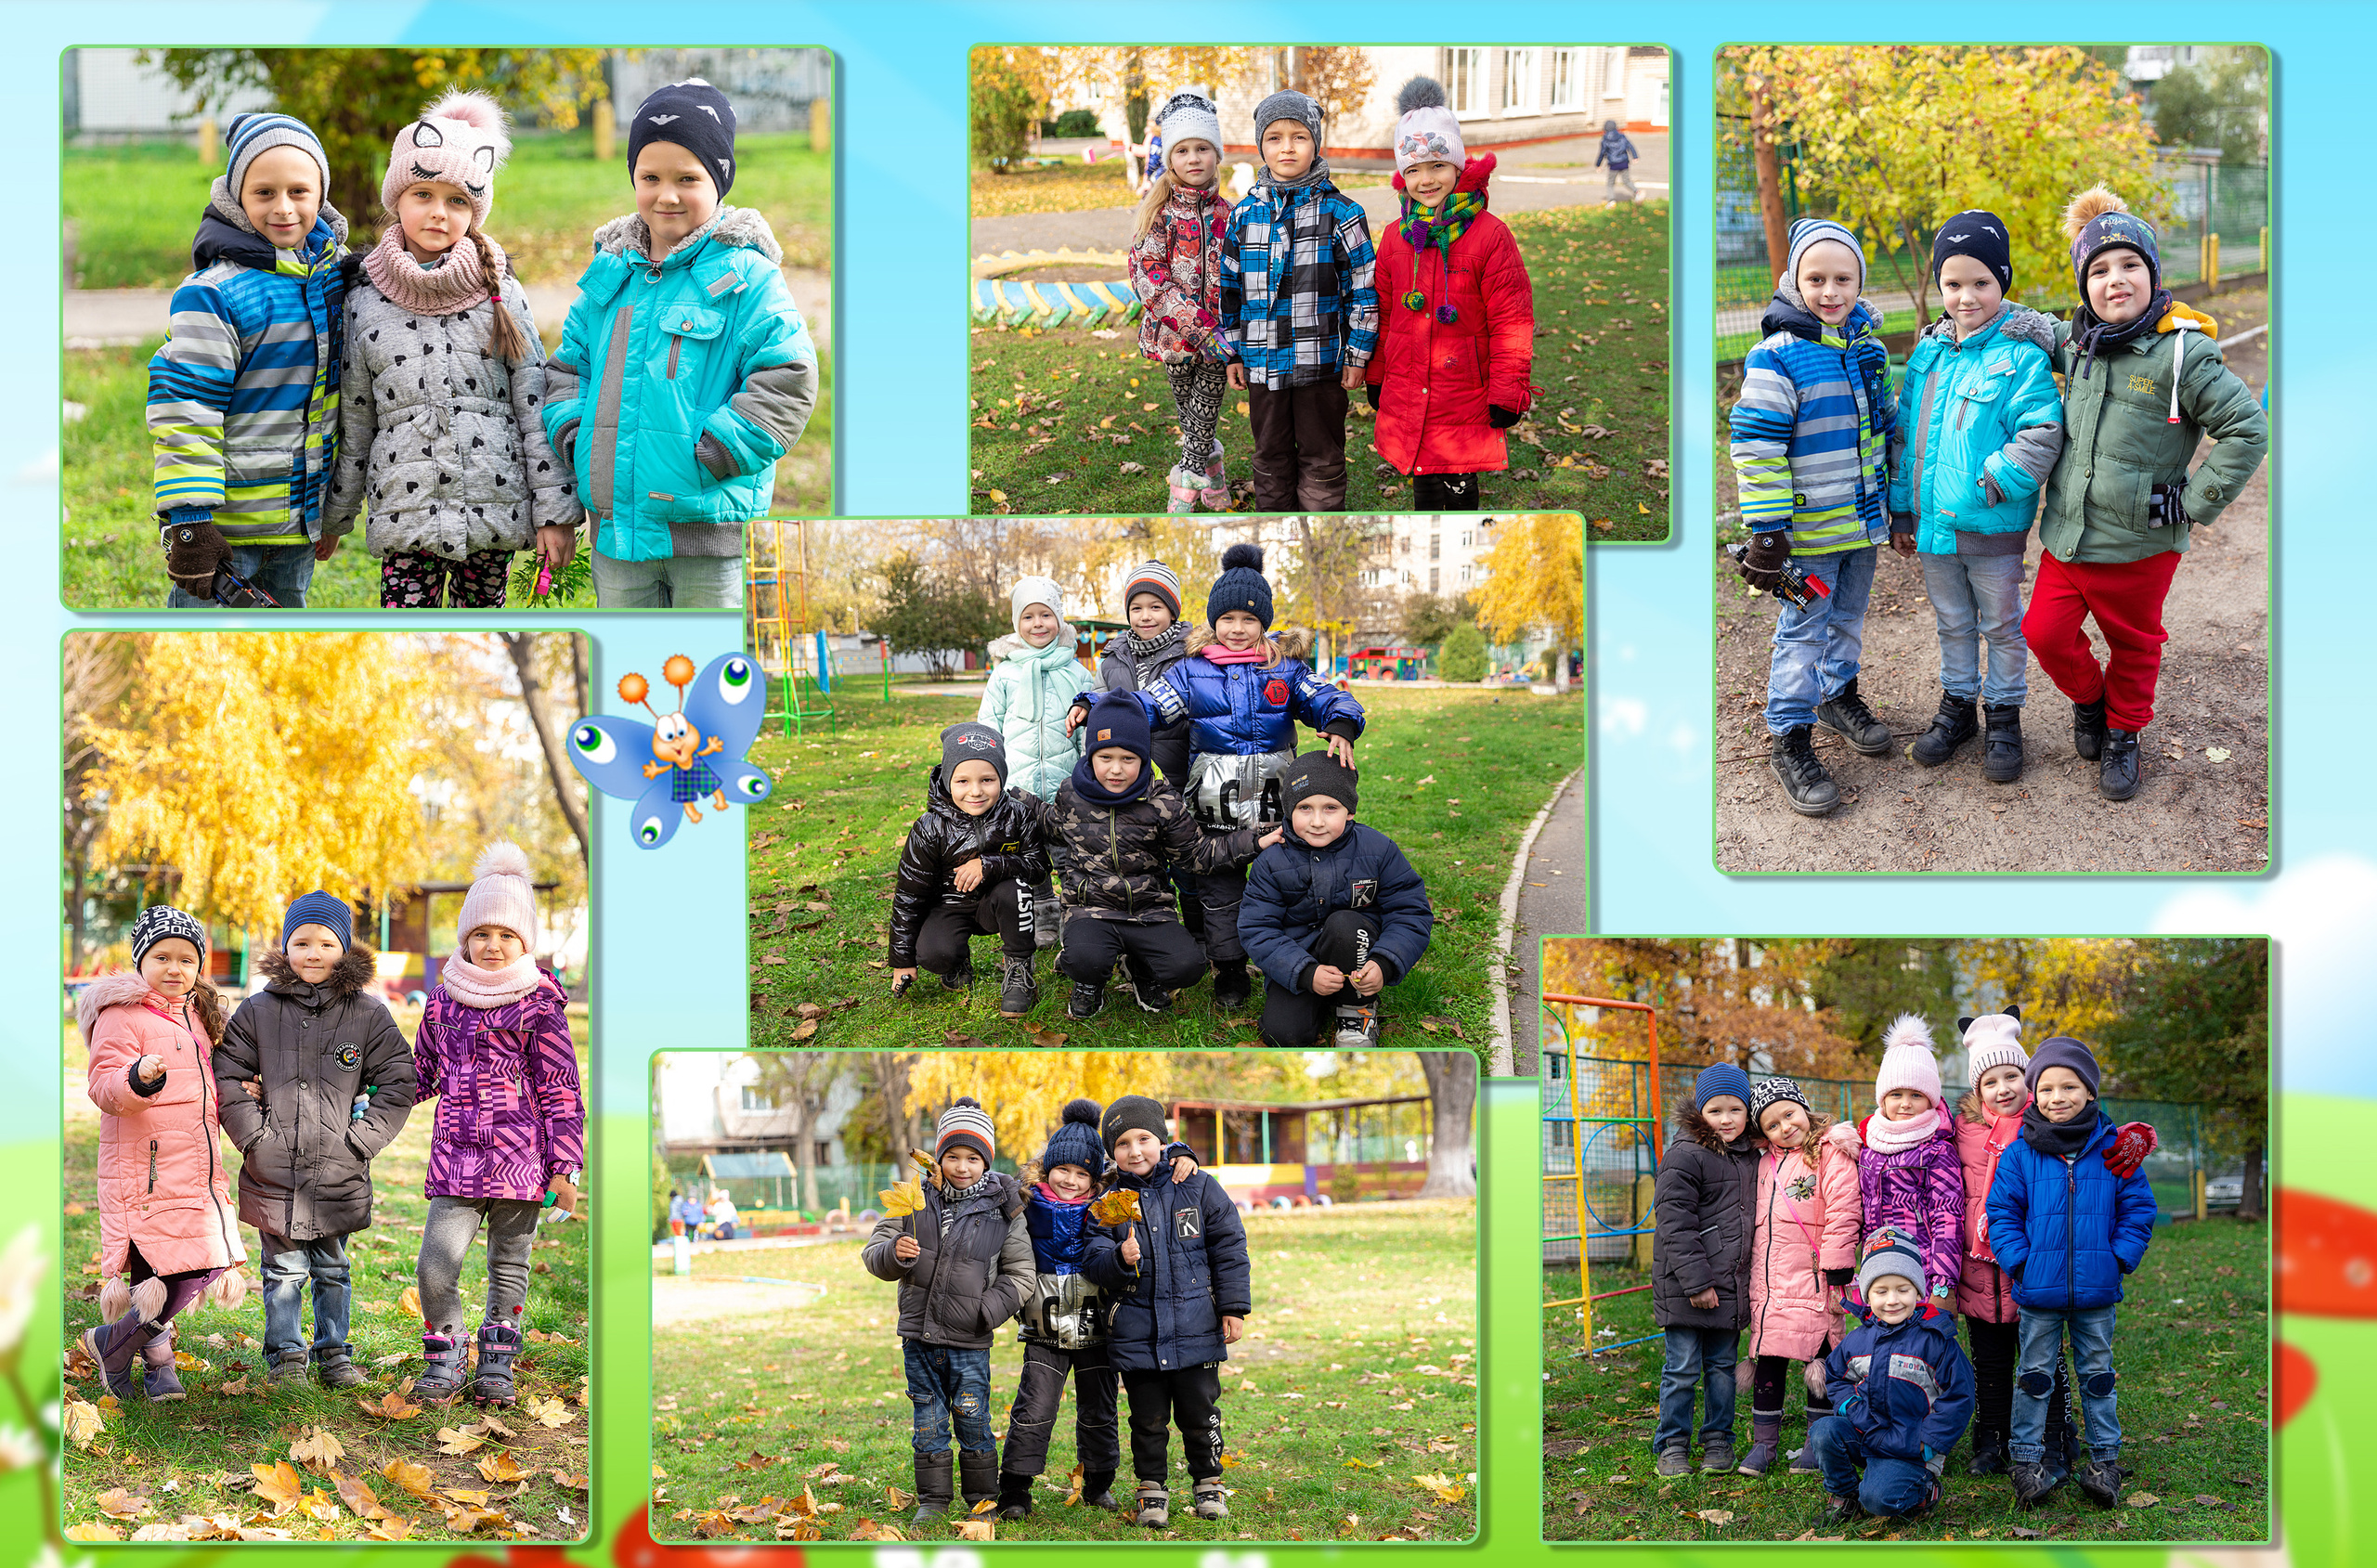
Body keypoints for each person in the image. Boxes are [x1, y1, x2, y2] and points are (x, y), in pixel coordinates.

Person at [2026, 188, 2269, 799]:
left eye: (2130, 264)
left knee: (2134, 647)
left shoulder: (2184, 354)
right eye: (2099, 270)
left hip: (2141, 545)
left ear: (2153, 273)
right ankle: (2090, 700)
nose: (2115, 280)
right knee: (2043, 633)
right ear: (2084, 286)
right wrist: (1983, 315)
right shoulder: (2078, 343)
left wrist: (2194, 503)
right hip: (2068, 535)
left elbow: (2247, 428)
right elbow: (2042, 329)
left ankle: (2124, 732)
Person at [541, 79, 819, 608]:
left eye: (687, 178)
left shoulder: (746, 277)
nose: (666, 195)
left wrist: (718, 452)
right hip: (618, 533)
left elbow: (787, 377)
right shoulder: (610, 275)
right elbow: (565, 371)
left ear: (719, 182)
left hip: (708, 530)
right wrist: (578, 439)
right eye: (650, 177)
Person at [1073, 545, 1365, 1010]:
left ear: (1263, 624)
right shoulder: (1191, 672)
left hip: (1276, 799)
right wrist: (1098, 703)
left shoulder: (1285, 668)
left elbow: (1326, 697)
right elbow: (1149, 704)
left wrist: (1342, 722)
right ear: (1213, 622)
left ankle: (1293, 960)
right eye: (1227, 619)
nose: (1237, 629)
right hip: (1214, 801)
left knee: (1286, 879)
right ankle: (1229, 969)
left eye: (1249, 621)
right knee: (1220, 889)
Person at [327, 92, 577, 608]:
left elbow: (534, 408)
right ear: (397, 197)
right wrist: (334, 517)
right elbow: (356, 422)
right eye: (423, 194)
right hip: (406, 511)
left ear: (475, 210)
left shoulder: (501, 292)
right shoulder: (362, 300)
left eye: (458, 200)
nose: (438, 213)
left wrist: (553, 512)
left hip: (494, 505)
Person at [1730, 218, 1899, 815]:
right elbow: (1757, 445)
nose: (1831, 291)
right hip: (1805, 538)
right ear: (1794, 281)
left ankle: (1837, 695)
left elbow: (1887, 428)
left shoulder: (1870, 352)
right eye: (1816, 278)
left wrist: (1894, 503)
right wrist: (1769, 530)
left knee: (1848, 619)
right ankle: (1790, 737)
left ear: (1859, 281)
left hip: (1862, 528)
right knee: (1803, 632)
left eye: (1843, 278)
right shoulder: (1777, 357)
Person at [1888, 210, 2064, 781]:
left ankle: (2005, 716)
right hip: (1933, 526)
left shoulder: (2021, 358)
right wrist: (1901, 507)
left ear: (2002, 283)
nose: (1967, 297)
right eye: (1953, 284)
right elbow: (1905, 433)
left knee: (2001, 624)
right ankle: (1959, 705)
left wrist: (1997, 479)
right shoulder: (1927, 355)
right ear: (1939, 286)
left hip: (1990, 523)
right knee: (1952, 621)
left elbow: (2042, 431)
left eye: (1981, 283)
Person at [212, 892, 416, 1386]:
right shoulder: (257, 1010)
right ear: (286, 947)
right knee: (281, 1272)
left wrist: (361, 1140)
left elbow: (398, 1079)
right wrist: (253, 1137)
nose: (313, 953)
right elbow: (226, 1075)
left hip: (338, 1169)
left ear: (344, 950)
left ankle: (334, 1353)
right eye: (301, 942)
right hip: (273, 1167)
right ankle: (285, 1356)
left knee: (332, 1267)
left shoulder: (367, 1014)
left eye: (326, 943)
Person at [149, 112, 349, 608]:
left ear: (320, 196)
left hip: (296, 526)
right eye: (264, 193)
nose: (283, 208)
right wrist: (190, 519)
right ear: (236, 197)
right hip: (225, 533)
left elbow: (331, 407)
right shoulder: (214, 294)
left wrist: (324, 514)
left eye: (299, 192)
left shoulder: (328, 284)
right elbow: (185, 408)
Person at [409, 843, 583, 1406]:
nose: (493, 945)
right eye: (481, 934)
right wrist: (363, 1092)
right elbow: (422, 1074)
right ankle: (447, 1350)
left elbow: (561, 1090)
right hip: (457, 1159)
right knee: (436, 1265)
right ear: (463, 939)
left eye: (507, 935)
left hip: (521, 1162)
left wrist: (567, 1169)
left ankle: (497, 1364)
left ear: (525, 942)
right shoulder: (442, 1002)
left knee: (509, 1264)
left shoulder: (539, 1006)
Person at [995, 1101, 1202, 1519]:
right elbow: (976, 1177)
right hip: (1044, 1327)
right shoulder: (1025, 1202)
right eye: (1063, 1170)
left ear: (1096, 1176)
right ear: (1047, 1168)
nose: (1071, 1181)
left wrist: (1180, 1150)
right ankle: (1016, 1489)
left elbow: (1148, 1163)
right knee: (1034, 1408)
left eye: (1082, 1173)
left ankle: (1099, 1483)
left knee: (1100, 1410)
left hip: (1098, 1326)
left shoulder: (1110, 1203)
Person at [75, 909, 250, 1403]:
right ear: (140, 960)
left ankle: (113, 1344)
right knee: (157, 1267)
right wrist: (137, 1079)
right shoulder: (122, 1014)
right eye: (162, 957)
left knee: (202, 1260)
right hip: (145, 1166)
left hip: (194, 1161)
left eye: (187, 959)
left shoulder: (197, 1014)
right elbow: (103, 1084)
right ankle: (157, 1360)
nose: (175, 969)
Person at [1984, 1036, 2160, 1508]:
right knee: (2035, 1374)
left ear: (2090, 1093)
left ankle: (2105, 1462)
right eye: (2045, 1088)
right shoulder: (2021, 1153)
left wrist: (2117, 1258)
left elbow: (2138, 1209)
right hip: (2038, 1290)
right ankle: (2026, 1462)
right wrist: (2020, 1261)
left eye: (2069, 1087)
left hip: (2097, 1290)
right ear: (2034, 1093)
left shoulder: (2115, 1150)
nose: (2056, 1098)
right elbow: (2001, 1212)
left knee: (2097, 1373)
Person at [1032, 693, 1274, 1019]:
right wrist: (1003, 800)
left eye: (1128, 759)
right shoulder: (1071, 795)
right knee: (1084, 959)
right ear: (1090, 756)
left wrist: (1256, 841)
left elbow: (1197, 855)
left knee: (1187, 967)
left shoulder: (1162, 802)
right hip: (1091, 909)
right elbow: (1048, 822)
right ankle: (1089, 983)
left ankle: (1140, 968)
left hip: (1149, 910)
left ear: (1144, 759)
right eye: (1105, 757)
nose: (1116, 769)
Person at [1363, 78, 1535, 512]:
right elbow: (1382, 313)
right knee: (1422, 476)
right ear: (1403, 176)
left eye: (1438, 165)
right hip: (1409, 380)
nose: (1426, 179)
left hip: (1462, 389)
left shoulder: (1491, 236)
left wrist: (1508, 391)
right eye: (1414, 169)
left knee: (1458, 481)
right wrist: (1378, 374)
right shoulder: (1395, 238)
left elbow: (1511, 319)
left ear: (1458, 167)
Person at [1082, 1095, 1252, 1528]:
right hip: (1138, 1333)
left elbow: (1229, 1247)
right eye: (1122, 1143)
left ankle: (1208, 1482)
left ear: (1163, 1139)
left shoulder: (1196, 1185)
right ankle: (1152, 1489)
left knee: (1200, 1413)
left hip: (1196, 1327)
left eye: (1144, 1139)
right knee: (1148, 1420)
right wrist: (1120, 1257)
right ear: (1111, 1152)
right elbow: (1094, 1259)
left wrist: (1232, 1307)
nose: (1134, 1151)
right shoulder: (1109, 1202)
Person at [861, 1098, 1032, 1526]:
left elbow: (1021, 1273)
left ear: (986, 1161)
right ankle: (933, 1499)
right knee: (928, 1418)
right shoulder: (913, 1200)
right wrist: (893, 1254)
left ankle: (981, 1499)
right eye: (952, 1156)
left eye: (973, 1157)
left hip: (969, 1339)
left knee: (973, 1415)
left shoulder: (1003, 1208)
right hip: (918, 1337)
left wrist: (985, 1311)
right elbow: (873, 1252)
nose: (961, 1166)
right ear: (938, 1157)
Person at [1220, 89, 1379, 511]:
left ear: (1316, 143)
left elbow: (1362, 287)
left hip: (1321, 365)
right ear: (1261, 146)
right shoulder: (1244, 215)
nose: (1287, 147)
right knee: (1269, 456)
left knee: (1322, 456)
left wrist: (1357, 355)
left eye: (1299, 136)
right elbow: (1229, 290)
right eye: (1274, 138)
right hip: (1262, 364)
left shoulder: (1343, 213)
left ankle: (1323, 529)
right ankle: (1275, 531)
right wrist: (1232, 352)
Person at [1239, 750, 1433, 1047]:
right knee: (1284, 1036)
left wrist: (1385, 963)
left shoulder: (1378, 849)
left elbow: (1410, 911)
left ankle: (1357, 1007)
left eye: (1330, 807)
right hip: (1297, 958)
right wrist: (1303, 972)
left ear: (1349, 811)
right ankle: (1314, 995)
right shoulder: (1271, 862)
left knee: (1345, 923)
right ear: (1289, 810)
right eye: (1305, 807)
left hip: (1357, 951)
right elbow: (1257, 929)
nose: (1317, 821)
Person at [1807, 1231, 1976, 1524]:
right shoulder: (1858, 1339)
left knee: (1879, 1499)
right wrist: (1850, 1408)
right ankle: (1845, 1495)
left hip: (1911, 1449)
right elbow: (1836, 1375)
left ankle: (1923, 1490)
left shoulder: (1936, 1341)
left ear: (1918, 1291)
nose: (1892, 1300)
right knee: (1823, 1430)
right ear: (1868, 1294)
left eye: (1903, 1289)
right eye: (1881, 1291)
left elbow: (1960, 1394)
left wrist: (1930, 1441)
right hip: (1868, 1433)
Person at [1739, 1076, 1860, 1478]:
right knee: (1769, 1358)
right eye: (1772, 1124)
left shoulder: (1829, 1153)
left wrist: (1839, 1260)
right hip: (1771, 1282)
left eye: (1789, 1115)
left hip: (1815, 1276)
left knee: (1819, 1359)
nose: (1784, 1127)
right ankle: (1764, 1444)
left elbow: (1844, 1208)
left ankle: (1816, 1438)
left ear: (1803, 1109)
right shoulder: (1764, 1161)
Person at [888, 722, 1049, 1018]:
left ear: (1001, 778)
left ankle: (1019, 970)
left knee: (1016, 889)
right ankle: (956, 961)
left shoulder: (1019, 814)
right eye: (962, 781)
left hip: (998, 904)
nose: (975, 791)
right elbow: (909, 897)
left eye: (987, 780)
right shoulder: (929, 828)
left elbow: (1039, 868)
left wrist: (991, 865)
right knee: (934, 954)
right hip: (950, 905)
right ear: (948, 780)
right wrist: (902, 960)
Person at [1651, 1064, 1760, 1476]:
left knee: (1720, 1369)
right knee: (1681, 1369)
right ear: (1700, 1112)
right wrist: (1696, 1282)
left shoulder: (1751, 1155)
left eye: (1736, 1109)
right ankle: (1672, 1444)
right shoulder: (1686, 1154)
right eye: (1716, 1110)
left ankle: (1718, 1440)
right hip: (1687, 1285)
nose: (1727, 1119)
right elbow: (1674, 1222)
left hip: (1730, 1284)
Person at [1127, 96, 1233, 512]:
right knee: (1194, 422)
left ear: (1216, 154)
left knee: (1200, 421)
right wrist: (1198, 326)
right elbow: (1148, 276)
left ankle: (1185, 487)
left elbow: (1240, 275)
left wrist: (1222, 331)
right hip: (1176, 339)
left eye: (1203, 148)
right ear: (1170, 157)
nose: (1194, 158)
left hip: (1220, 344)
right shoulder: (1158, 215)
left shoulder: (1230, 213)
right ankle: (1215, 473)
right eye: (1183, 150)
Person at [1824, 1017, 1965, 1324]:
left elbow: (1948, 1216)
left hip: (1922, 1273)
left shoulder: (1937, 1149)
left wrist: (1943, 1282)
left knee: (1923, 1352)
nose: (1905, 1104)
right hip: (1878, 1268)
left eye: (1916, 1095)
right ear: (1882, 1098)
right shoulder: (1869, 1144)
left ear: (1930, 1099)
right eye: (1896, 1094)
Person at [1594, 118, 1641, 201]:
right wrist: (1635, 156)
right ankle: (1637, 192)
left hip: (1613, 164)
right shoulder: (1622, 137)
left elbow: (1601, 154)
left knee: (1610, 183)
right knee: (1626, 180)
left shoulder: (1604, 140)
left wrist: (1598, 165)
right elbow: (1630, 146)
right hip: (1624, 162)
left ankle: (1611, 201)